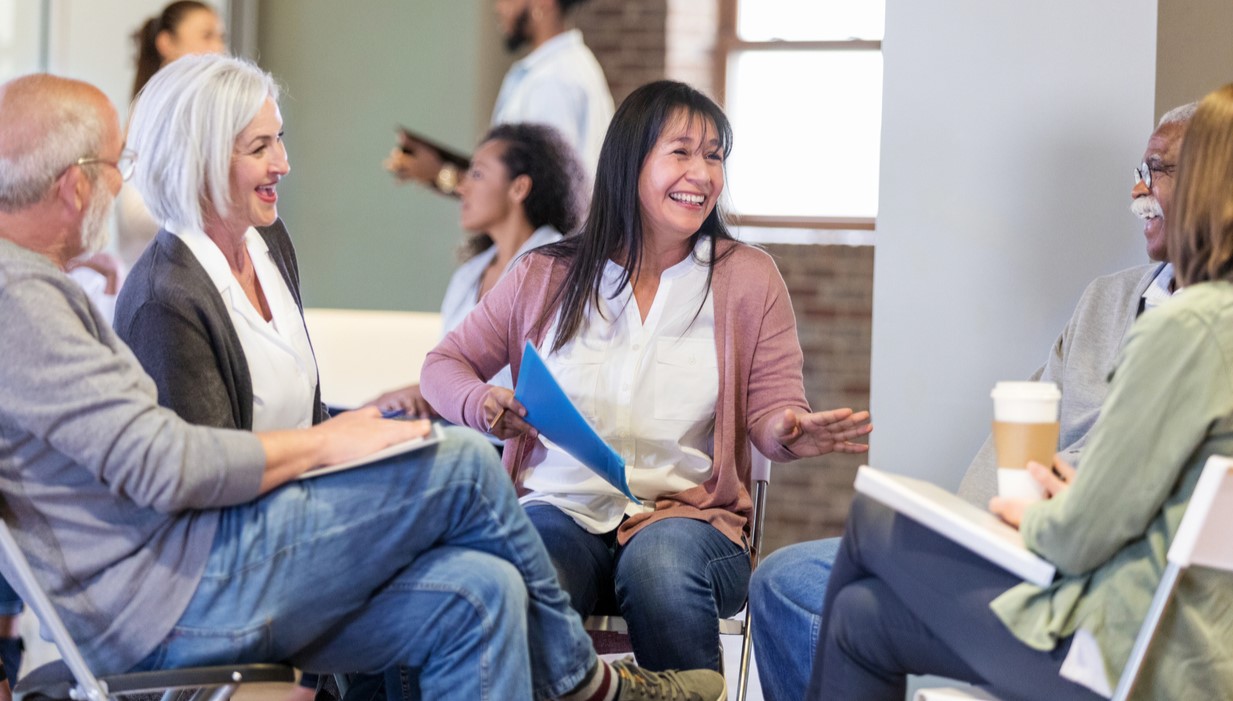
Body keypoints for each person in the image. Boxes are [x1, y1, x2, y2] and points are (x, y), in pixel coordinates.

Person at [0, 69, 728, 701]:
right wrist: (333, 443)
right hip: (174, 599)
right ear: (73, 188)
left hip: (193, 576)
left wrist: (360, 433)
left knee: (483, 590)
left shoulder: (48, 289)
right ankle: (583, 682)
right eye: (110, 163)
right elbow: (167, 465)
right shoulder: (30, 299)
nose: (124, 179)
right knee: (465, 463)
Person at [746, 101, 1198, 701]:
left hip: (1084, 576)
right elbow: (1028, 422)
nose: (1139, 191)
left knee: (871, 538)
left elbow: (1135, 499)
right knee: (788, 579)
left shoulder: (1205, 335)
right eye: (1137, 171)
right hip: (1020, 548)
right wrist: (966, 533)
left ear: (1211, 182)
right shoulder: (1106, 300)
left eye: (1157, 169)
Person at [420, 79, 873, 674]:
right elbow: (441, 367)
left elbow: (771, 412)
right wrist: (480, 402)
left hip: (691, 519)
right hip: (561, 505)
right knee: (527, 567)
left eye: (714, 156)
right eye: (681, 152)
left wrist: (787, 430)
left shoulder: (748, 278)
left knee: (658, 565)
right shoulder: (544, 275)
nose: (703, 174)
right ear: (629, 163)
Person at [367, 122, 586, 417]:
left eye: (477, 174)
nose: (461, 186)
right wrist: (415, 398)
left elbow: (525, 387)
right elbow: (454, 374)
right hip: (467, 429)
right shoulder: (468, 275)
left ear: (519, 187)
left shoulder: (558, 270)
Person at [385, 0, 613, 192]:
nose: (497, 7)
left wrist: (441, 173)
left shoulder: (553, 81)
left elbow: (537, 196)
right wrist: (438, 172)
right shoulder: (561, 69)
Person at [116, 1, 227, 269]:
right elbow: (135, 211)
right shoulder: (152, 109)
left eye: (221, 38)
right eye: (206, 36)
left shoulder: (202, 111)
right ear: (167, 43)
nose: (220, 49)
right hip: (155, 273)